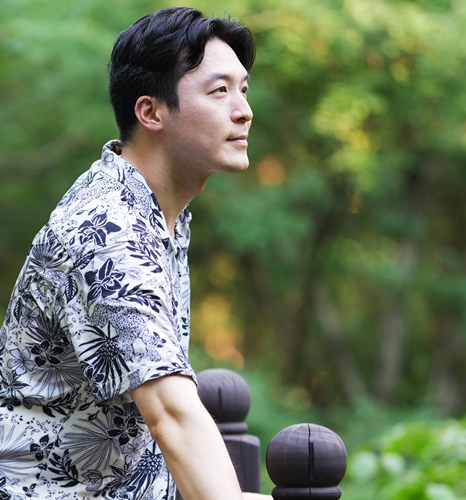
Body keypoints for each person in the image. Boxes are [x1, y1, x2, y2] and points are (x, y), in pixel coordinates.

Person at [0, 7, 267, 500]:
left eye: (243, 90)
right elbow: (172, 415)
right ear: (151, 112)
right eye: (219, 91)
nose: (243, 110)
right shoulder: (107, 229)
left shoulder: (155, 211)